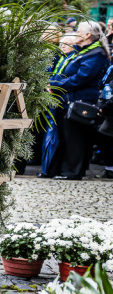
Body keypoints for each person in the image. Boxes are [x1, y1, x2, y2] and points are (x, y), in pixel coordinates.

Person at [51, 20, 110, 180]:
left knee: (75, 139)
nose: (76, 33)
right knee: (69, 136)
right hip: (69, 99)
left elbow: (81, 78)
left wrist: (56, 86)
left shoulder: (96, 53)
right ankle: (68, 170)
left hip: (80, 101)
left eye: (78, 31)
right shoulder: (83, 51)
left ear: (87, 35)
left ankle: (72, 172)